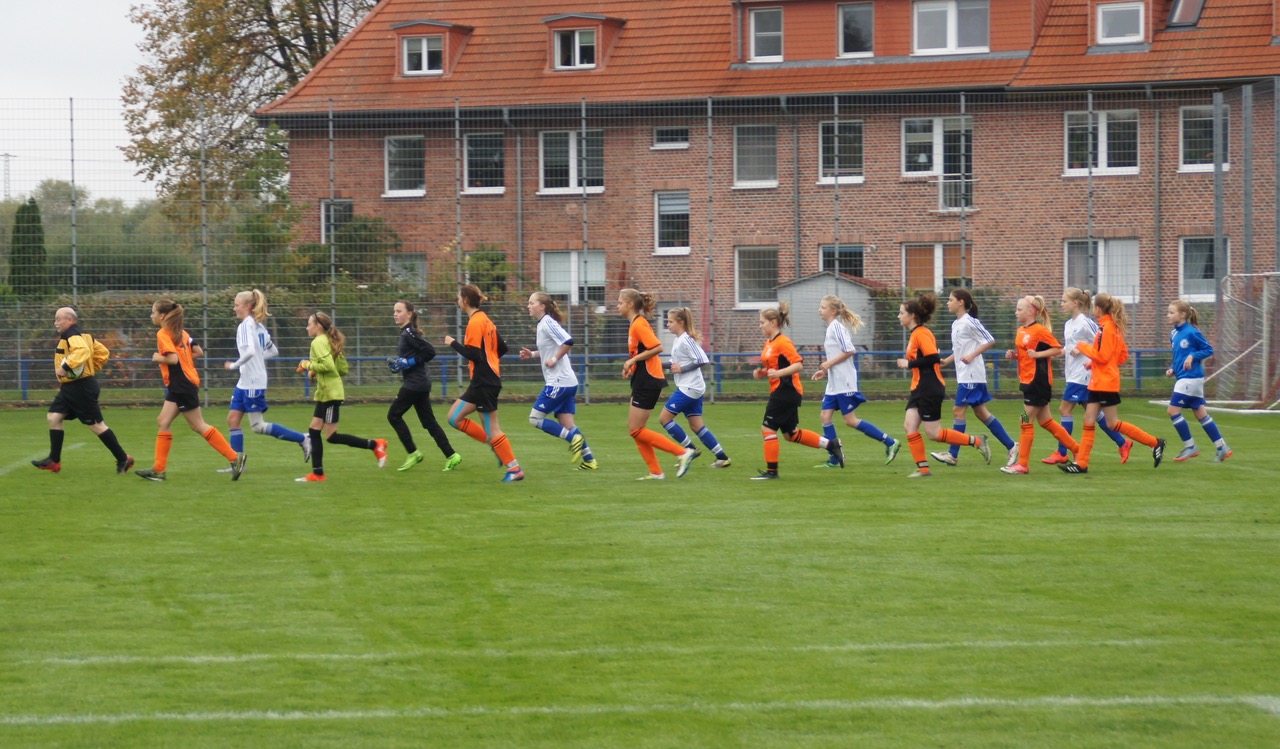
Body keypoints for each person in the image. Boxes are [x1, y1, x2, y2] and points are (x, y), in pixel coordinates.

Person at [135, 299, 244, 481]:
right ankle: (159, 470)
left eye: (153, 312)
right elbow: (198, 351)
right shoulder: (182, 332)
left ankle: (235, 458)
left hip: (181, 383)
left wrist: (157, 358)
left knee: (198, 425)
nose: (151, 315)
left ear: (162, 315)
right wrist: (184, 358)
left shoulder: (163, 333)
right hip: (182, 382)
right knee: (163, 421)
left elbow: (173, 359)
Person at [1059, 293, 1166, 474]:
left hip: (1105, 383)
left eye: (1094, 306)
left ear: (1099, 309)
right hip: (1099, 381)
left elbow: (1103, 356)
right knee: (1089, 420)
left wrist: (1083, 347)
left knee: (1112, 423)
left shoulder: (1107, 328)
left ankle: (1155, 443)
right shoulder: (1108, 327)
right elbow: (1121, 356)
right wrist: (1094, 363)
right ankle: (1081, 464)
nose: (1093, 309)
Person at [895, 292, 992, 478]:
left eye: (901, 313)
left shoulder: (921, 333)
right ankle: (923, 469)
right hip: (919, 387)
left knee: (933, 433)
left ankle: (977, 441)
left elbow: (932, 357)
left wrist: (909, 364)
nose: (899, 316)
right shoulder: (916, 333)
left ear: (912, 315)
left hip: (929, 387)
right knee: (909, 426)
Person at [31, 306, 133, 474]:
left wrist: (66, 366)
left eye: (58, 319)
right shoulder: (83, 335)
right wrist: (90, 367)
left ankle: (123, 459)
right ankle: (54, 461)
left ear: (70, 320)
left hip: (81, 387)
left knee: (96, 425)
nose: (55, 323)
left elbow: (83, 351)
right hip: (71, 387)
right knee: (54, 417)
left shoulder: (72, 335)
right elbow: (103, 353)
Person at [751, 302, 845, 480]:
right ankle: (831, 445)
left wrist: (778, 374)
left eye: (762, 322)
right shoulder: (769, 343)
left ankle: (772, 472)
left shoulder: (783, 342)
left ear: (773, 323)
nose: (760, 326)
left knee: (767, 428)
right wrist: (762, 372)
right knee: (790, 434)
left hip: (786, 391)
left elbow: (798, 364)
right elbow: (775, 366)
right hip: (781, 391)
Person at [221, 289, 310, 474]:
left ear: (247, 306)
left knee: (257, 426)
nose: (234, 308)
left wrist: (234, 365)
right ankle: (237, 463)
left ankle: (303, 438)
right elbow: (273, 351)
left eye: (236, 305)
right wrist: (256, 361)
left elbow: (251, 351)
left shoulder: (246, 326)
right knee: (232, 419)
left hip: (253, 382)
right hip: (245, 382)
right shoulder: (258, 326)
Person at [295, 311, 388, 482]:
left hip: (330, 394)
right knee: (314, 431)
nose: (307, 328)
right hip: (325, 394)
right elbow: (342, 369)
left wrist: (306, 364)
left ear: (318, 326)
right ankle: (317, 474)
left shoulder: (318, 342)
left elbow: (328, 366)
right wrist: (314, 371)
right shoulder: (329, 340)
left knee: (331, 436)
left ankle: (376, 445)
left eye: (309, 324)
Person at [1042, 288, 1132, 465]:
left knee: (1064, 410)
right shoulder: (1069, 324)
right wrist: (1055, 353)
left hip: (1083, 374)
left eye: (1064, 301)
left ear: (1075, 303)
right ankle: (1123, 443)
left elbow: (1101, 342)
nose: (1061, 304)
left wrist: (1085, 352)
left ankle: (1063, 451)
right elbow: (1070, 347)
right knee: (1095, 415)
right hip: (1072, 373)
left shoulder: (1086, 323)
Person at [445, 285, 524, 482]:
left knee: (492, 429)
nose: (457, 301)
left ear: (465, 300)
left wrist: (452, 343)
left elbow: (474, 354)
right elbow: (502, 348)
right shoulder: (486, 320)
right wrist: (490, 361)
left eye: (458, 297)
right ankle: (495, 446)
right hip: (482, 380)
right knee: (454, 418)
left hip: (484, 381)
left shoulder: (475, 322)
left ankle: (514, 469)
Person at [809, 294, 899, 467]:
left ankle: (890, 442)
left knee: (850, 420)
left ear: (833, 311)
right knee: (825, 416)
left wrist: (828, 364)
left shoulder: (837, 327)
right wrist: (825, 370)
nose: (819, 310)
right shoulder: (830, 328)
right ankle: (835, 458)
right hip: (834, 383)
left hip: (844, 382)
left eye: (823, 307)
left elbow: (850, 351)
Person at [618, 288, 698, 480]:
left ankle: (682, 452)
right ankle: (655, 472)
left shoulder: (639, 324)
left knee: (636, 429)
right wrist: (631, 365)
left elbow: (657, 347)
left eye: (620, 302)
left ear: (630, 305)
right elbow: (642, 352)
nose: (617, 306)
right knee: (635, 430)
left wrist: (632, 360)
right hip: (642, 378)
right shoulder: (635, 324)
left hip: (648, 380)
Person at [933, 288, 1018, 468]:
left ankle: (953, 454)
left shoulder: (970, 322)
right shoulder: (956, 324)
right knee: (981, 413)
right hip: (965, 375)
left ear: (961, 302)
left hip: (972, 375)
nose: (947, 303)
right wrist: (946, 361)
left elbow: (990, 340)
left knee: (958, 411)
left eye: (950, 300)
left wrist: (972, 355)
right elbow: (959, 350)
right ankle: (1012, 446)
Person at [1000, 295, 1080, 474]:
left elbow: (1057, 349)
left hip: (1038, 381)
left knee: (1024, 419)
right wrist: (1015, 356)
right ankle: (1077, 450)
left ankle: (1022, 464)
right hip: (1026, 380)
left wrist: (1038, 355)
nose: (1016, 312)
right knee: (1046, 422)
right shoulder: (1021, 330)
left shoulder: (1040, 330)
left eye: (1019, 309)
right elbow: (1025, 355)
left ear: (1030, 311)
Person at [518, 291, 598, 470]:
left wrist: (554, 360)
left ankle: (573, 439)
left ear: (542, 307)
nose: (528, 306)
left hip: (559, 382)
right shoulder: (542, 324)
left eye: (531, 303)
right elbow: (550, 349)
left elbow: (568, 341)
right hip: (567, 383)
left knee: (535, 418)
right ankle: (590, 460)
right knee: (567, 423)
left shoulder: (547, 322)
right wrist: (532, 354)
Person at [386, 300, 462, 472]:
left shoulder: (409, 333)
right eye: (394, 311)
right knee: (428, 422)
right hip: (420, 383)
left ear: (409, 314)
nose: (395, 314)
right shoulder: (406, 333)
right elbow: (416, 355)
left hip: (415, 383)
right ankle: (452, 455)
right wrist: (402, 363)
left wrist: (409, 362)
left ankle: (413, 453)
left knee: (393, 416)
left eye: (399, 311)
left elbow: (430, 351)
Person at [657, 306, 732, 468]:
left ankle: (690, 449)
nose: (667, 324)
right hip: (692, 387)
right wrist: (656, 364)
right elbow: (675, 364)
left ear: (681, 322)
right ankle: (722, 457)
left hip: (689, 388)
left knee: (664, 419)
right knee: (696, 425)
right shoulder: (678, 340)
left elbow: (702, 359)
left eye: (670, 321)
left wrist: (682, 369)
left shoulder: (686, 340)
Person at [1164, 299, 1232, 462]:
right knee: (1200, 413)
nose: (1168, 315)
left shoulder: (1192, 332)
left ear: (1182, 314)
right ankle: (1222, 447)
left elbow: (1208, 349)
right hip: (1185, 377)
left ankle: (1190, 447)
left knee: (1173, 411)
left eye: (1171, 312)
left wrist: (1193, 356)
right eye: (1168, 312)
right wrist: (1173, 368)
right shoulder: (1174, 334)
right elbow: (1179, 356)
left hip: (1191, 378)